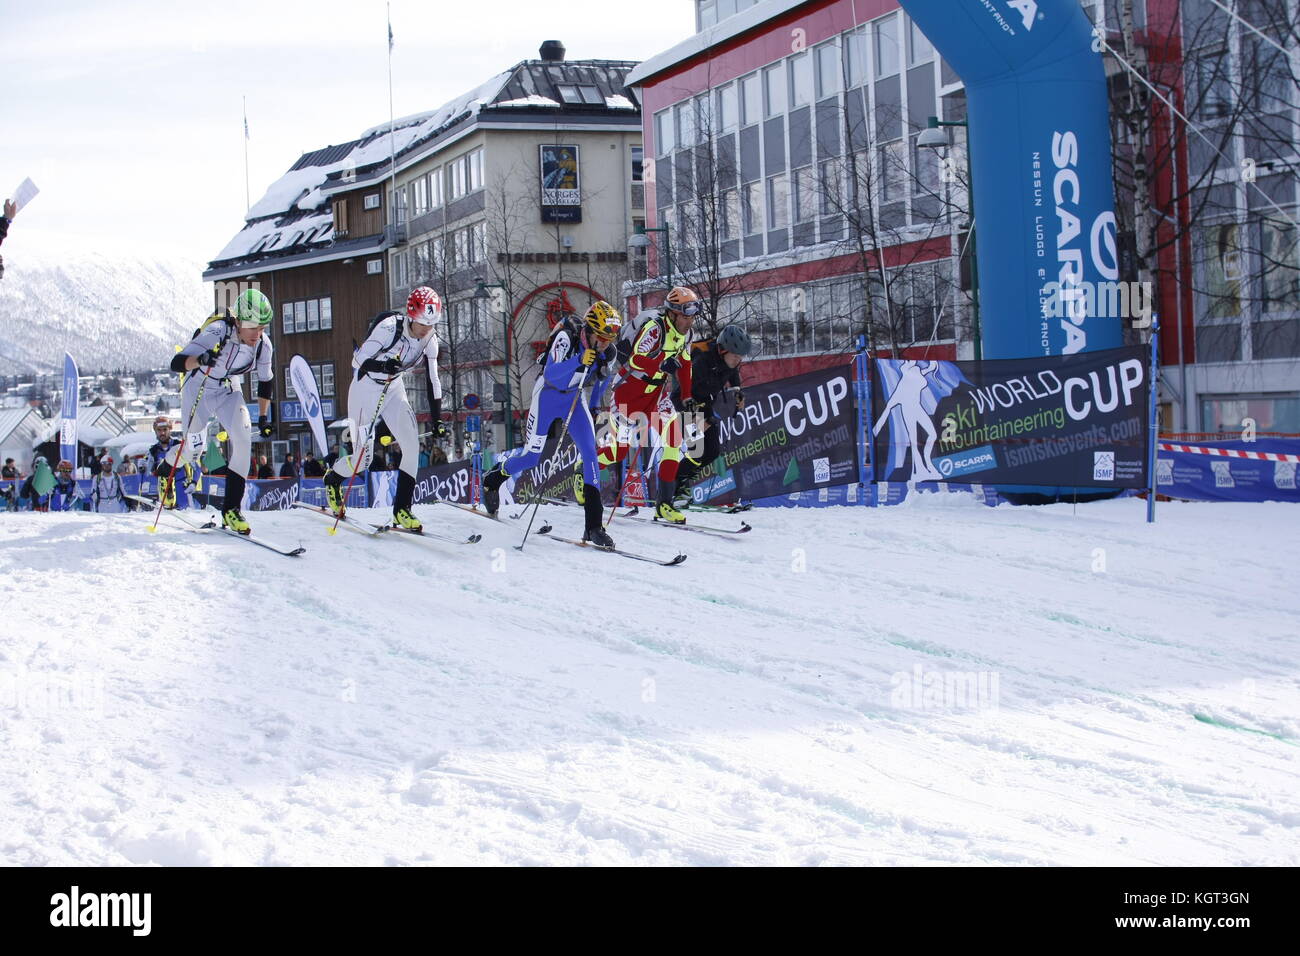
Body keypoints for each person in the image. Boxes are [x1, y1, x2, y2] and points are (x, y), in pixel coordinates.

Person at [482, 301, 622, 548]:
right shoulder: (566, 338)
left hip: (575, 399)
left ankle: (594, 527)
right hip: (547, 396)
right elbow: (551, 374)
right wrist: (579, 359)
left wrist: (596, 398)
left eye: (609, 338)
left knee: (591, 454)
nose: (605, 343)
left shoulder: (608, 350)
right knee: (531, 457)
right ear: (589, 330)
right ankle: (494, 477)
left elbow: (602, 379)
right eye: (601, 337)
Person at [323, 286, 447, 531]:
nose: (426, 330)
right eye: (423, 323)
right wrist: (383, 367)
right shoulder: (389, 328)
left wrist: (437, 419)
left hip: (393, 390)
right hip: (365, 390)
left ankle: (402, 509)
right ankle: (333, 477)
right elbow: (357, 360)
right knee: (363, 459)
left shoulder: (430, 339)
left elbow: (433, 379)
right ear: (412, 316)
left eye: (432, 324)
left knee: (411, 446)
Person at [162, 290, 276, 534]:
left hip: (227, 388)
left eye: (263, 328)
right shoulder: (217, 333)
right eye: (254, 327)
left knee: (244, 440)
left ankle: (232, 509)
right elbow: (176, 362)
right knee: (194, 450)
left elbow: (265, 382)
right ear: (239, 322)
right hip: (199, 388)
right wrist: (201, 359)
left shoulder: (263, 345)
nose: (258, 334)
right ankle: (165, 471)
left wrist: (264, 417)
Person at [598, 285, 699, 524]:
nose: (690, 320)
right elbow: (636, 358)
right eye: (685, 315)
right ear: (673, 313)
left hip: (656, 394)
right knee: (618, 451)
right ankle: (584, 467)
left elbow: (685, 365)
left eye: (693, 315)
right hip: (628, 392)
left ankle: (664, 505)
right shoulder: (655, 329)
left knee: (674, 439)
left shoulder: (687, 334)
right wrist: (662, 365)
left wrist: (686, 396)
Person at [673, 323, 753, 502]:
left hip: (704, 404)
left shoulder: (729, 361)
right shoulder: (702, 361)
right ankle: (673, 489)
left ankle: (680, 484)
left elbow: (732, 373)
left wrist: (738, 391)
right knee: (697, 451)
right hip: (685, 403)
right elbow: (683, 391)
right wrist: (698, 416)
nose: (737, 361)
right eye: (735, 356)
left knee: (713, 451)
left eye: (740, 357)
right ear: (723, 350)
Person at [147, 415, 187, 508]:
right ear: (155, 432)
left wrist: (193, 483)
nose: (162, 433)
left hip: (182, 491)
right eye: (159, 430)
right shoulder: (153, 450)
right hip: (165, 493)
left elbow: (195, 467)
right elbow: (149, 473)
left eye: (165, 429)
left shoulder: (179, 445)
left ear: (170, 430)